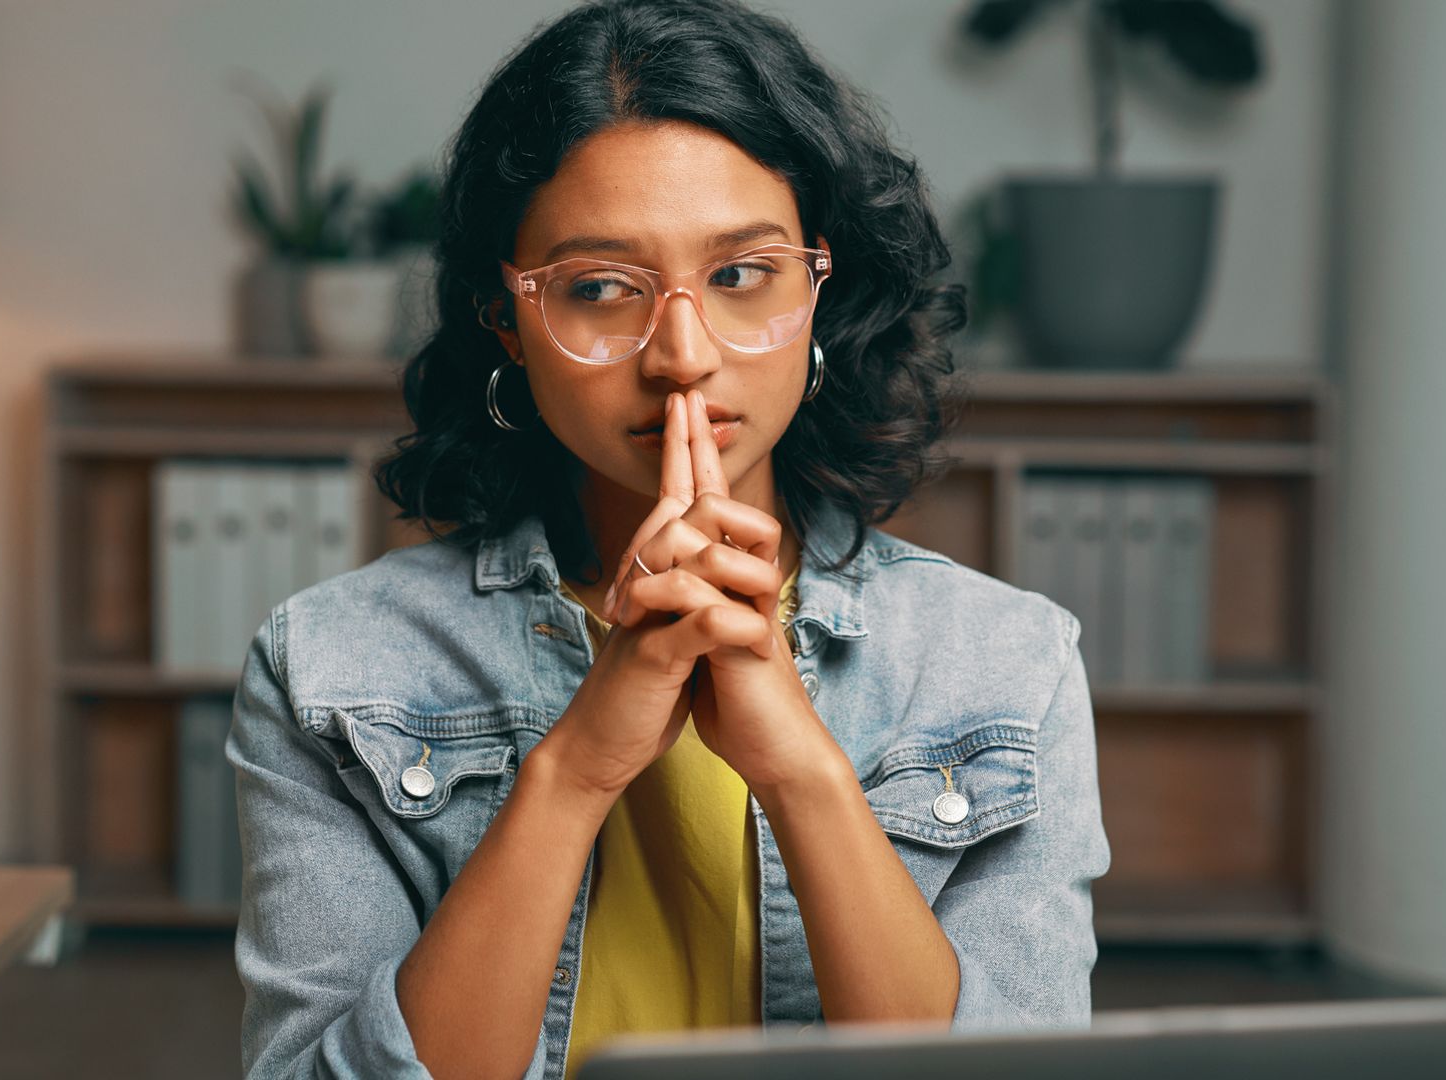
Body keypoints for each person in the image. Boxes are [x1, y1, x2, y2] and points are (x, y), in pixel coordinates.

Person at [227, 1, 1110, 1077]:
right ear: (507, 318)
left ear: (821, 287)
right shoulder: (328, 668)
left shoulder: (1008, 666)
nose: (683, 355)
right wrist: (582, 761)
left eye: (741, 276)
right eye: (602, 289)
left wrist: (800, 769)